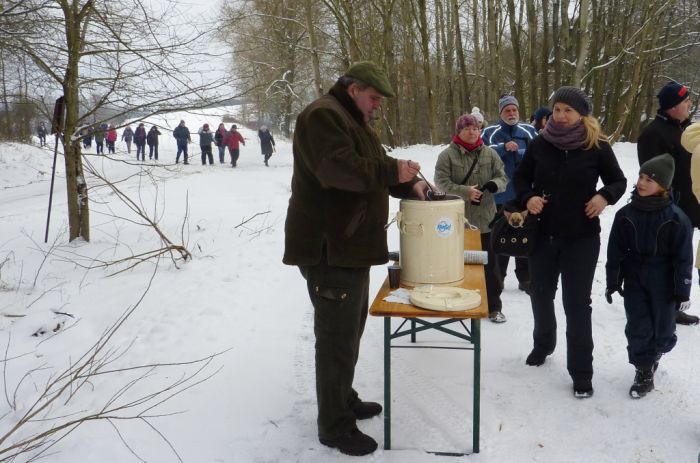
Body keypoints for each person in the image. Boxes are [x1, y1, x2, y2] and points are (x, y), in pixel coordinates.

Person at [283, 61, 428, 456]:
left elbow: (371, 173)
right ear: (354, 90)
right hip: (329, 249)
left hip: (351, 248)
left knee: (349, 332)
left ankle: (343, 399)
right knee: (335, 339)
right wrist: (390, 168)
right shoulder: (322, 116)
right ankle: (334, 425)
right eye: (374, 98)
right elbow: (338, 171)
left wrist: (408, 183)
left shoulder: (351, 121)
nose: (377, 106)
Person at [513, 86, 627, 398]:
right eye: (558, 109)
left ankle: (581, 373)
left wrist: (604, 197)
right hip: (543, 237)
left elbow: (618, 180)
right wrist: (530, 196)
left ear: (582, 115)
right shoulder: (539, 144)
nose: (561, 116)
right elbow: (520, 180)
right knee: (540, 293)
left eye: (568, 110)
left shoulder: (597, 145)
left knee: (577, 305)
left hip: (581, 238)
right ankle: (543, 344)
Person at [606, 154, 692, 398]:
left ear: (663, 186)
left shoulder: (677, 219)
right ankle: (643, 371)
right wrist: (613, 280)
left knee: (663, 329)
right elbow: (615, 250)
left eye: (649, 179)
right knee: (638, 325)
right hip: (634, 277)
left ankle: (657, 351)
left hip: (663, 280)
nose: (642, 183)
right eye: (641, 177)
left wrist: (682, 290)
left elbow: (683, 258)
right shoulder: (625, 214)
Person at [435, 114, 508, 322]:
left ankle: (494, 306)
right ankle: (456, 304)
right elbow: (441, 183)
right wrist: (465, 191)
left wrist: (495, 184)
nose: (472, 131)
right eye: (467, 128)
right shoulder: (447, 156)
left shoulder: (490, 154)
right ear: (458, 132)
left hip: (486, 220)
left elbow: (502, 176)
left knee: (490, 266)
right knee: (456, 264)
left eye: (475, 128)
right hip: (456, 222)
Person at [637, 80, 699, 326]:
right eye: (686, 102)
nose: (690, 104)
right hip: (667, 212)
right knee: (664, 259)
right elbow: (652, 177)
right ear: (673, 106)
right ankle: (661, 306)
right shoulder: (654, 134)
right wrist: (666, 208)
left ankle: (672, 303)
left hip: (687, 209)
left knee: (680, 259)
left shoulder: (684, 128)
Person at [482, 95, 538, 295]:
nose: (512, 114)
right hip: (499, 195)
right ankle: (499, 279)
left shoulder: (530, 131)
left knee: (525, 236)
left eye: (514, 110)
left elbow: (538, 154)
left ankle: (526, 279)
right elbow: (483, 153)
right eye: (507, 110)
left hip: (524, 194)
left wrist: (520, 151)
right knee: (500, 237)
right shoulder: (489, 132)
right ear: (500, 113)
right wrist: (504, 148)